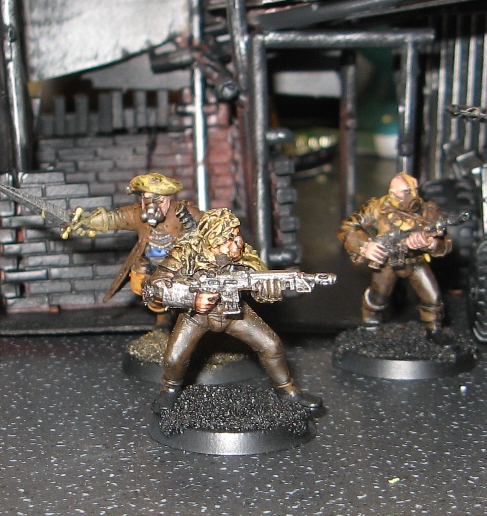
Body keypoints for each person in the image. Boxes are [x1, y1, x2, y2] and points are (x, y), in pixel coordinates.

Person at [145, 209, 323, 415]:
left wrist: (268, 292)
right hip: (196, 317)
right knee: (174, 357)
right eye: (229, 238)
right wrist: (193, 299)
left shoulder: (243, 254)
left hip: (234, 313)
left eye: (237, 235)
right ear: (213, 240)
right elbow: (155, 286)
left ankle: (287, 390)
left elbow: (259, 282)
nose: (237, 242)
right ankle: (169, 390)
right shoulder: (185, 254)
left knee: (271, 345)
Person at [63, 172, 202, 315]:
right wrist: (87, 222)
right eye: (146, 199)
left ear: (167, 198)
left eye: (158, 200)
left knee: (182, 293)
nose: (152, 206)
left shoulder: (183, 212)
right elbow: (115, 218)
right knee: (147, 289)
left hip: (177, 263)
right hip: (149, 262)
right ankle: (162, 319)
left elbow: (207, 225)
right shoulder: (137, 214)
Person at [337, 172, 453, 332]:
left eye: (404, 192)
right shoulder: (377, 208)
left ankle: (433, 329)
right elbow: (347, 228)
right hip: (386, 263)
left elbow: (445, 244)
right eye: (393, 193)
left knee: (432, 298)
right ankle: (370, 322)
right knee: (378, 298)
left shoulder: (428, 212)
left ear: (414, 190)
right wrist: (365, 246)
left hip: (415, 262)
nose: (398, 198)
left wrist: (431, 244)